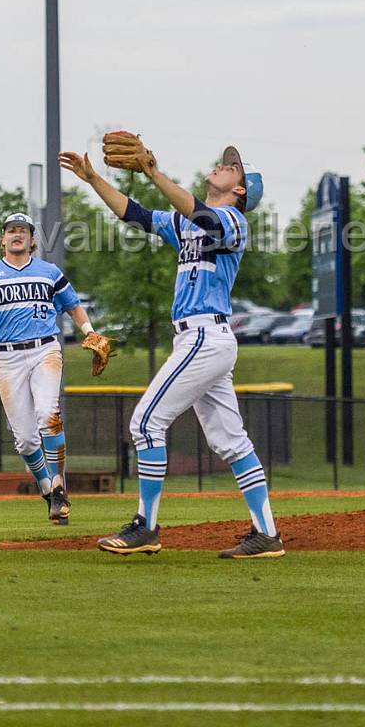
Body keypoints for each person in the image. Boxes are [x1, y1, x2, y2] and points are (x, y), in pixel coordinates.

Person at [59, 138, 284, 559]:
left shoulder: (234, 221)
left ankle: (146, 527)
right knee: (233, 443)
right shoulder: (186, 223)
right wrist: (93, 180)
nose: (221, 166)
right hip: (199, 339)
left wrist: (153, 173)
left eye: (230, 167)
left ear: (241, 190)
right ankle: (266, 534)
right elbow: (136, 213)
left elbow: (201, 213)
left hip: (205, 336)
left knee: (145, 423)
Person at [0, 213, 100, 525]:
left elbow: (73, 306)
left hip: (45, 350)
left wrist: (88, 330)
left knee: (48, 414)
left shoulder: (49, 272)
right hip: (8, 359)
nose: (17, 234)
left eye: (23, 230)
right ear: (2, 240)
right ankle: (48, 489)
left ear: (33, 240)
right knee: (24, 439)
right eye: (11, 230)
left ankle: (60, 485)